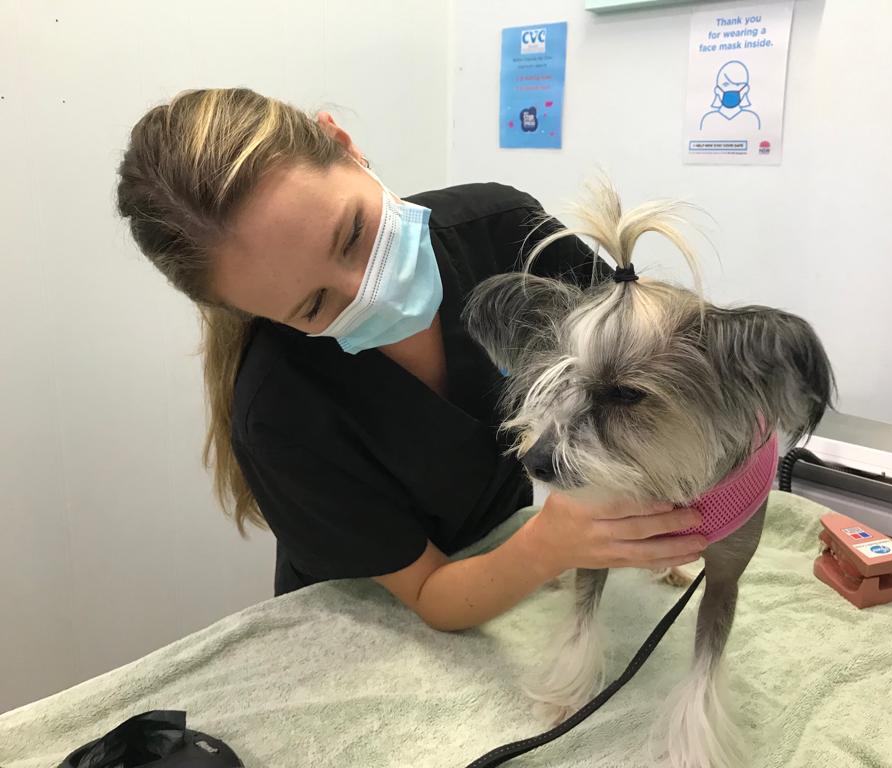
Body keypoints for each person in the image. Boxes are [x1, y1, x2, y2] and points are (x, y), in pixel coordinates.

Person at [115, 88, 708, 631]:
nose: (367, 287)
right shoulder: (278, 414)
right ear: (253, 313)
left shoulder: (501, 233)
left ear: (345, 147)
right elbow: (429, 594)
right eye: (315, 305)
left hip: (518, 555)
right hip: (371, 626)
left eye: (352, 235)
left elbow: (649, 358)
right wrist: (549, 546)